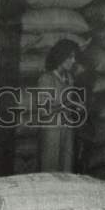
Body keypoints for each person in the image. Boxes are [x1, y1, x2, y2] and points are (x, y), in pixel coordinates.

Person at [36, 39, 82, 173]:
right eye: (70, 57)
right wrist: (69, 104)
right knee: (50, 171)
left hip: (67, 131)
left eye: (74, 57)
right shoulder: (47, 79)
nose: (73, 61)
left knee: (66, 170)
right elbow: (44, 111)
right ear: (60, 56)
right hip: (51, 133)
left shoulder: (69, 78)